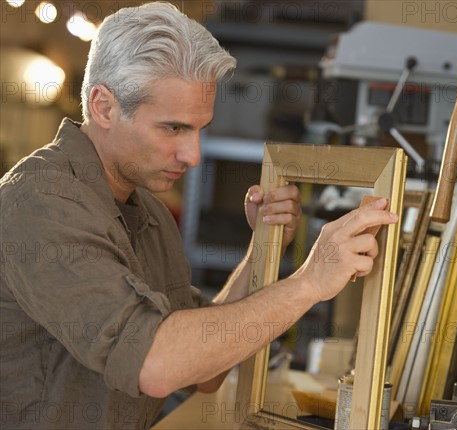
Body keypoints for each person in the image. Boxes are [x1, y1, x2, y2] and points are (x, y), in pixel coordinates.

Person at [0, 2, 398, 429]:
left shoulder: (146, 209)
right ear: (103, 107)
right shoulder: (38, 203)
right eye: (173, 128)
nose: (192, 156)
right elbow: (156, 364)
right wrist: (310, 281)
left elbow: (204, 372)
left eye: (199, 129)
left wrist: (260, 251)